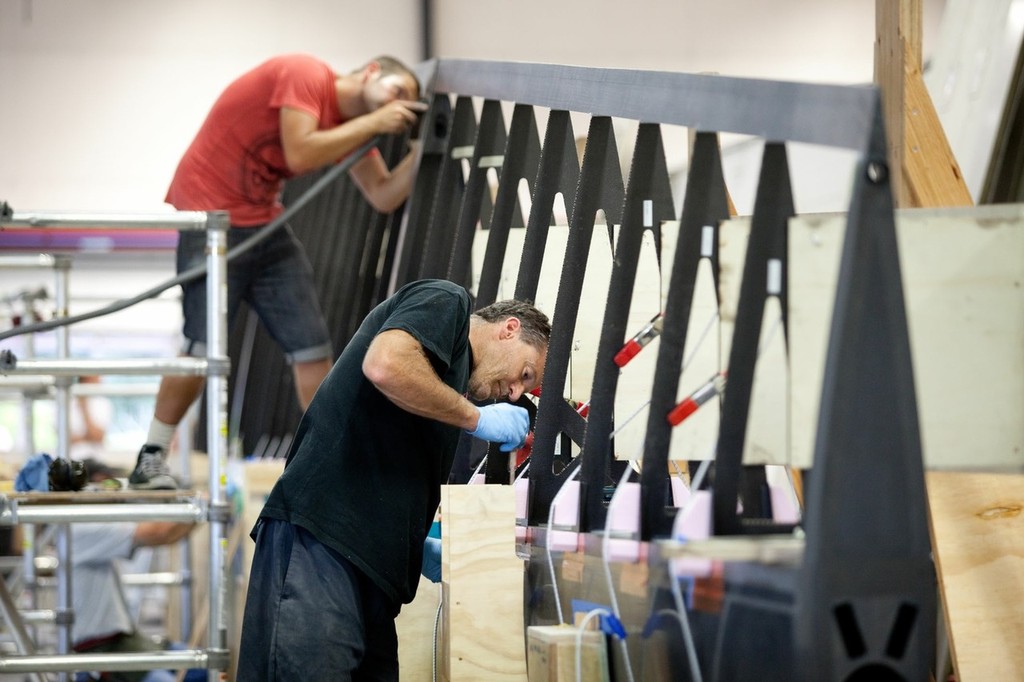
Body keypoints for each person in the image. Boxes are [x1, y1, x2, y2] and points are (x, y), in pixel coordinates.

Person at [130, 53, 428, 490]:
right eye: (396, 91)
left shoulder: (350, 128)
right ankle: (151, 456)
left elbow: (383, 194)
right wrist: (376, 122)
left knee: (312, 345)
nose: (396, 104)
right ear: (369, 73)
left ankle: (332, 456)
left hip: (261, 222)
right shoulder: (304, 74)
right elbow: (300, 149)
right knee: (200, 345)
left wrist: (424, 151)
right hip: (211, 218)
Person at [236, 279, 550, 681]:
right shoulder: (446, 301)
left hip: (371, 571)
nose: (514, 393)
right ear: (508, 329)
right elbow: (385, 365)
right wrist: (475, 417)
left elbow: (383, 459)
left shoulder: (442, 396)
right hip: (322, 544)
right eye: (524, 373)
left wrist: (410, 543)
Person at [71, 464, 203, 682]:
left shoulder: (89, 524)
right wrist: (203, 506)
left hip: (123, 639)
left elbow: (170, 535)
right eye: (110, 487)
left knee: (198, 670)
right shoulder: (82, 528)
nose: (116, 496)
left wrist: (201, 511)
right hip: (99, 649)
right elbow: (160, 533)